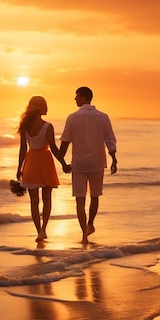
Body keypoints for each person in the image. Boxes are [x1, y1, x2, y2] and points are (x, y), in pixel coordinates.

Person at [60, 86, 117, 243]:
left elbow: (65, 142)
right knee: (95, 196)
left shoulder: (72, 118)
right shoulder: (103, 117)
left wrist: (61, 161)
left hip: (78, 163)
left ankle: (84, 234)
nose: (75, 98)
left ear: (84, 97)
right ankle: (90, 223)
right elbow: (110, 139)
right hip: (97, 162)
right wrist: (114, 158)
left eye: (77, 95)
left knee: (79, 199)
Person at [17, 96, 70, 242]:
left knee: (34, 200)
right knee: (47, 198)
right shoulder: (48, 126)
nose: (47, 108)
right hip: (45, 161)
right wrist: (64, 164)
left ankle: (38, 231)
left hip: (31, 161)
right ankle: (43, 230)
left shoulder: (25, 125)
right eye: (45, 106)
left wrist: (19, 168)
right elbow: (53, 148)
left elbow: (22, 149)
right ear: (39, 108)